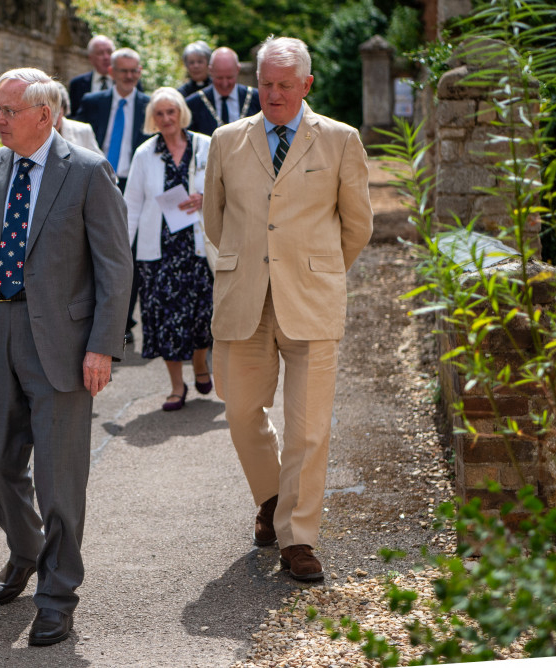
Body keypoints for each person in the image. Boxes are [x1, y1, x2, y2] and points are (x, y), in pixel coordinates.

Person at [0, 68, 132, 646]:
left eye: (7, 111)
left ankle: (57, 591)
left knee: (59, 476)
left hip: (63, 346)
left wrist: (101, 346)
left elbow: (115, 271)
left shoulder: (89, 173)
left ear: (44, 116)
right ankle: (25, 550)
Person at [202, 36, 373, 582]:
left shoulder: (341, 141)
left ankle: (298, 538)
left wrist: (316, 268)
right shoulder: (227, 141)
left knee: (308, 429)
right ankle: (273, 498)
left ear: (307, 85)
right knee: (240, 412)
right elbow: (215, 218)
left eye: (284, 85)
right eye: (265, 84)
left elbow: (358, 225)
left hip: (312, 301)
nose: (273, 94)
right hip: (243, 300)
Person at [123, 88, 213, 411]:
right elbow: (131, 204)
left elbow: (228, 187)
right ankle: (177, 386)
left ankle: (201, 363)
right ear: (152, 119)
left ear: (181, 114)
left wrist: (207, 199)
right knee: (166, 321)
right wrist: (123, 251)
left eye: (171, 112)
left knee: (204, 318)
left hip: (199, 248)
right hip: (159, 253)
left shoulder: (206, 145)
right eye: (159, 114)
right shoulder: (145, 154)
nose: (166, 119)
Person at [77, 47, 151, 344]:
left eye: (134, 71)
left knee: (126, 251)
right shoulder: (93, 102)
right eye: (124, 71)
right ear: (112, 73)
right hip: (99, 178)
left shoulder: (149, 105)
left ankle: (123, 322)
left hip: (134, 182)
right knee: (92, 248)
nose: (129, 76)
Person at [186, 47, 261, 136]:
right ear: (210, 71)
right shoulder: (193, 104)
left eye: (229, 77)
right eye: (219, 78)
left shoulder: (257, 98)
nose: (224, 84)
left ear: (238, 70)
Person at [68, 35, 115, 116]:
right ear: (91, 58)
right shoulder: (77, 84)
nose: (106, 57)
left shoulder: (127, 82)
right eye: (100, 53)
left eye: (109, 52)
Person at [54, 82, 102, 155]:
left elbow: (99, 164)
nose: (51, 119)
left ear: (64, 109)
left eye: (55, 113)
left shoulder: (83, 131)